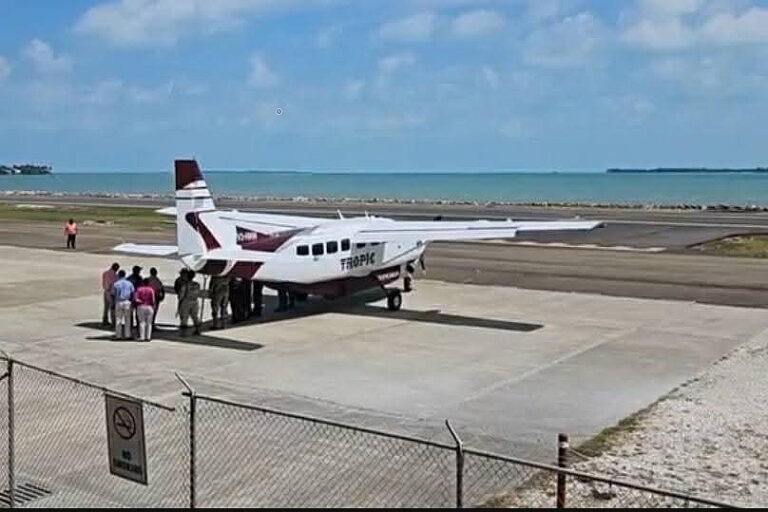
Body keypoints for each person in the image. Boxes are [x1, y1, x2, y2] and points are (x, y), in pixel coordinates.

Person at [112, 270, 135, 340]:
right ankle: (127, 335)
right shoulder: (129, 283)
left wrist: (113, 303)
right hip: (127, 301)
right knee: (128, 319)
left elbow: (113, 294)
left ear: (119, 275)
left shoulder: (116, 284)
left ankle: (118, 335)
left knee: (118, 319)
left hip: (119, 301)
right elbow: (132, 293)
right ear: (125, 275)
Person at [178, 270, 201, 335]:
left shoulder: (185, 285)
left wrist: (180, 300)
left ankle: (183, 333)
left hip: (186, 301)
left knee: (184, 317)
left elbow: (182, 294)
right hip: (195, 301)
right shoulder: (197, 284)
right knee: (195, 317)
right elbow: (199, 292)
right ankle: (197, 330)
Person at [126, 266, 143, 336]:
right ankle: (138, 328)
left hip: (131, 298)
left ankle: (131, 327)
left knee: (131, 314)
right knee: (138, 314)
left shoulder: (129, 278)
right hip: (137, 298)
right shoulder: (139, 278)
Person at [101, 262, 120, 326]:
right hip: (111, 292)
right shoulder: (115, 275)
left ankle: (105, 320)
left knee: (106, 307)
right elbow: (113, 284)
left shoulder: (105, 273)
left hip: (105, 291)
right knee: (112, 307)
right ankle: (113, 322)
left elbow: (104, 282)